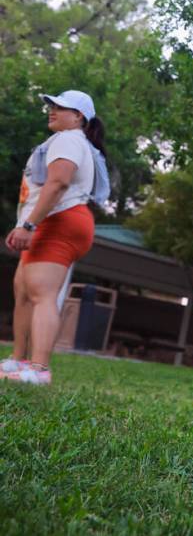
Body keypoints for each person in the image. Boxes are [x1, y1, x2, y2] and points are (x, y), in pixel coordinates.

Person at [2, 90, 110, 385]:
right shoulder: (63, 139)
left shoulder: (69, 139)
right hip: (51, 220)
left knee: (42, 294)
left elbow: (59, 182)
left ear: (79, 117)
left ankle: (39, 370)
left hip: (58, 221)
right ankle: (18, 360)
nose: (52, 110)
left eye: (61, 107)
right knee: (23, 290)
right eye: (51, 105)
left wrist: (29, 225)